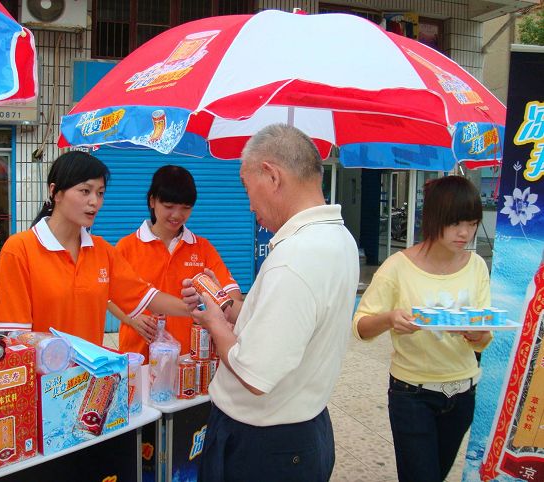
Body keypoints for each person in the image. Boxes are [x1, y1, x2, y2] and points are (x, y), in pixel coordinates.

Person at [181, 124, 359, 482]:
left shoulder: (296, 257)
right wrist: (226, 306)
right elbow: (286, 327)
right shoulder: (339, 238)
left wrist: (214, 323)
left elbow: (253, 373)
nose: (249, 205)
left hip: (264, 447)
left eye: (247, 188)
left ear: (272, 176)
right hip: (302, 430)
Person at [353, 175, 492, 482]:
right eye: (456, 223)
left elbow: (484, 335)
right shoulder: (397, 266)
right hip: (412, 394)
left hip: (463, 392)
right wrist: (390, 318)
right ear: (433, 219)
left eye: (472, 224)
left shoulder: (477, 266)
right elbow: (361, 327)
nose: (465, 233)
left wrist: (476, 333)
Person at [0, 151, 190, 346]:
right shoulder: (20, 249)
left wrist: (197, 309)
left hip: (93, 367)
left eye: (100, 193)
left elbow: (146, 297)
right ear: (55, 192)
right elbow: (14, 336)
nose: (95, 202)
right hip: (42, 367)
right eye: (85, 191)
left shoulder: (102, 250)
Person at [108, 165, 241, 360]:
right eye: (169, 206)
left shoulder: (202, 248)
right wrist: (130, 318)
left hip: (189, 357)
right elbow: (108, 295)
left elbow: (230, 293)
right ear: (152, 201)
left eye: (185, 208)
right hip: (138, 356)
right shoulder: (127, 247)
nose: (177, 215)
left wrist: (227, 315)